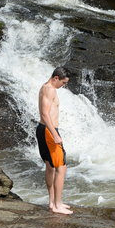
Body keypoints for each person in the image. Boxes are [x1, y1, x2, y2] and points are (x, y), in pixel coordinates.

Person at [36, 67, 73, 214]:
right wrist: (55, 134)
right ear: (56, 78)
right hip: (49, 130)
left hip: (44, 129)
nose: (64, 85)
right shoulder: (50, 89)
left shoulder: (46, 87)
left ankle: (52, 202)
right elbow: (45, 114)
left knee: (50, 166)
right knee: (61, 167)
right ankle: (57, 205)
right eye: (63, 82)